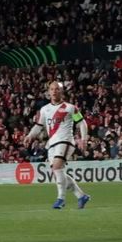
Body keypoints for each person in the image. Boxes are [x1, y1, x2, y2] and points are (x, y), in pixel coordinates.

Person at [25, 80, 91, 210]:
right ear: (48, 92)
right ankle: (81, 196)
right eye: (52, 89)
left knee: (57, 167)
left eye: (57, 89)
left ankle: (61, 199)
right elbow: (39, 126)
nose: (54, 91)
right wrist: (30, 136)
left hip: (66, 140)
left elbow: (82, 123)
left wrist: (84, 139)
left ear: (62, 91)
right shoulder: (44, 109)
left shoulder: (70, 107)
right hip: (52, 143)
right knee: (58, 172)